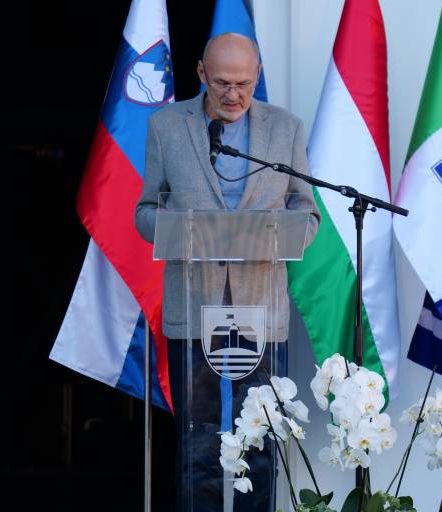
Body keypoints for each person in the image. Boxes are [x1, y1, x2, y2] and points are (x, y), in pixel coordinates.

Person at [134, 33, 320, 512]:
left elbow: (307, 212)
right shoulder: (166, 127)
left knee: (259, 440)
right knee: (198, 441)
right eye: (221, 84)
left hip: (261, 308)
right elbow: (145, 211)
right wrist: (186, 230)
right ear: (201, 74)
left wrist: (277, 236)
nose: (233, 95)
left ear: (257, 76)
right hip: (194, 305)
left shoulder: (286, 129)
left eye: (243, 83)